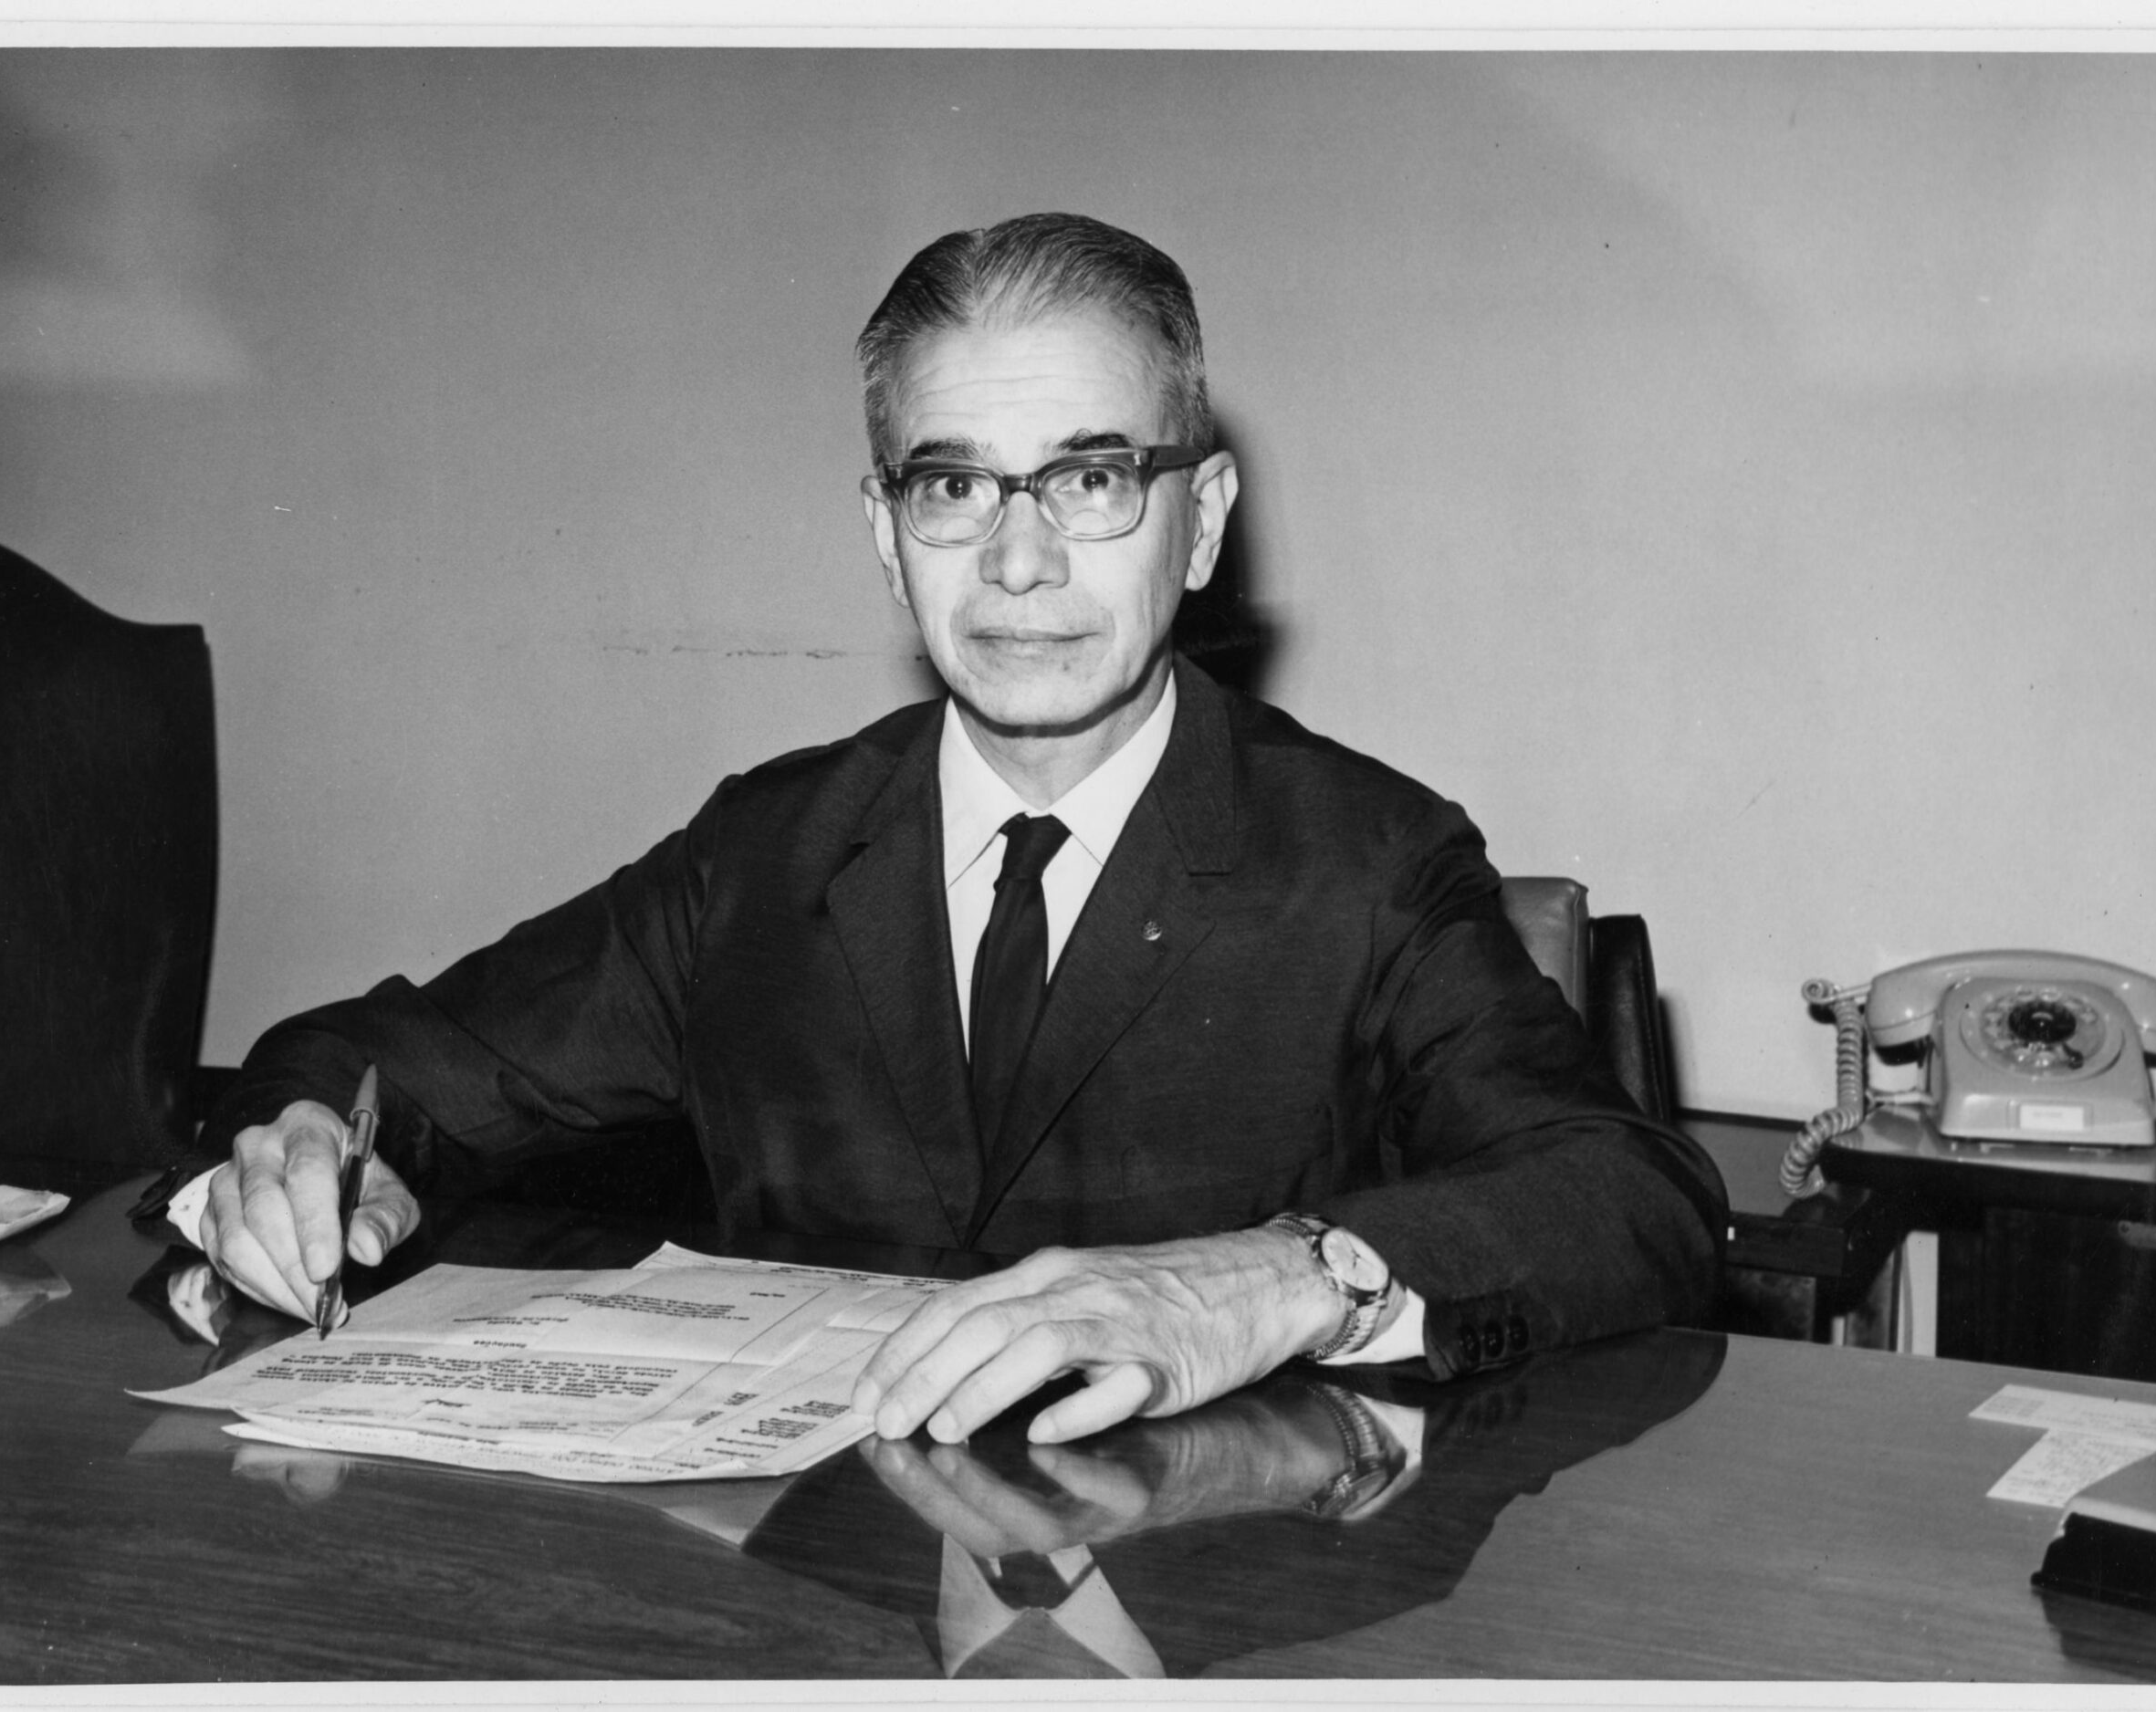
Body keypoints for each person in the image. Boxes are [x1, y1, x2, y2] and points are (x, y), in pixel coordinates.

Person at [188, 212, 1726, 1449]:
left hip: (1222, 1604)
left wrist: (1277, 1279)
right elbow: (373, 1065)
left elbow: (1634, 1197)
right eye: (954, 486)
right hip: (823, 1596)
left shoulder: (1365, 862)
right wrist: (308, 1152)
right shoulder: (767, 854)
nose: (1018, 561)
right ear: (886, 533)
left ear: (1200, 522)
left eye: (1091, 478)